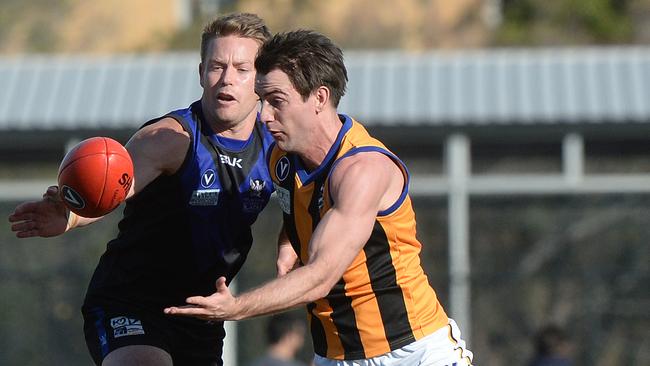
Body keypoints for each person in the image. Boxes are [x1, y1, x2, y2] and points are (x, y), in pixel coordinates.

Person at [165, 30, 474, 366]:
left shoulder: (362, 169)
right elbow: (304, 211)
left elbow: (321, 275)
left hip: (412, 352)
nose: (264, 114)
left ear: (319, 98)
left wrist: (237, 307)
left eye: (277, 101)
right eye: (261, 99)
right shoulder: (281, 160)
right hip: (334, 356)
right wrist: (289, 241)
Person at [8, 13, 276, 366]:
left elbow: (301, 199)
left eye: (241, 69)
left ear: (261, 79)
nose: (226, 79)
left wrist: (289, 245)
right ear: (200, 73)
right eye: (216, 66)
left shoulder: (277, 142)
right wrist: (70, 215)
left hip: (199, 314)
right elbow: (113, 188)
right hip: (130, 299)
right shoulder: (168, 139)